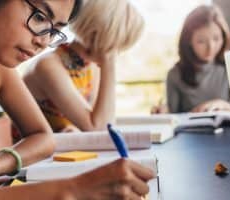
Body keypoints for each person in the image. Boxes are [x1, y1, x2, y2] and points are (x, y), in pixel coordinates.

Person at [0, 0, 154, 198]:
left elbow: (43, 136)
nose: (44, 41)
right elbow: (95, 126)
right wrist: (69, 190)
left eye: (54, 30)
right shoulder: (30, 67)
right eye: (39, 17)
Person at [23, 0, 145, 132]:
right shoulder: (49, 65)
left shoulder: (90, 67)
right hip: (34, 151)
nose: (117, 52)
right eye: (118, 45)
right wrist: (109, 64)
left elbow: (101, 121)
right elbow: (100, 128)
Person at [165, 4, 230, 113]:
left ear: (224, 37)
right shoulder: (175, 75)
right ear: (189, 42)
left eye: (216, 39)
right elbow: (171, 115)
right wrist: (162, 112)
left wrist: (223, 105)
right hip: (189, 129)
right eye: (201, 41)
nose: (210, 48)